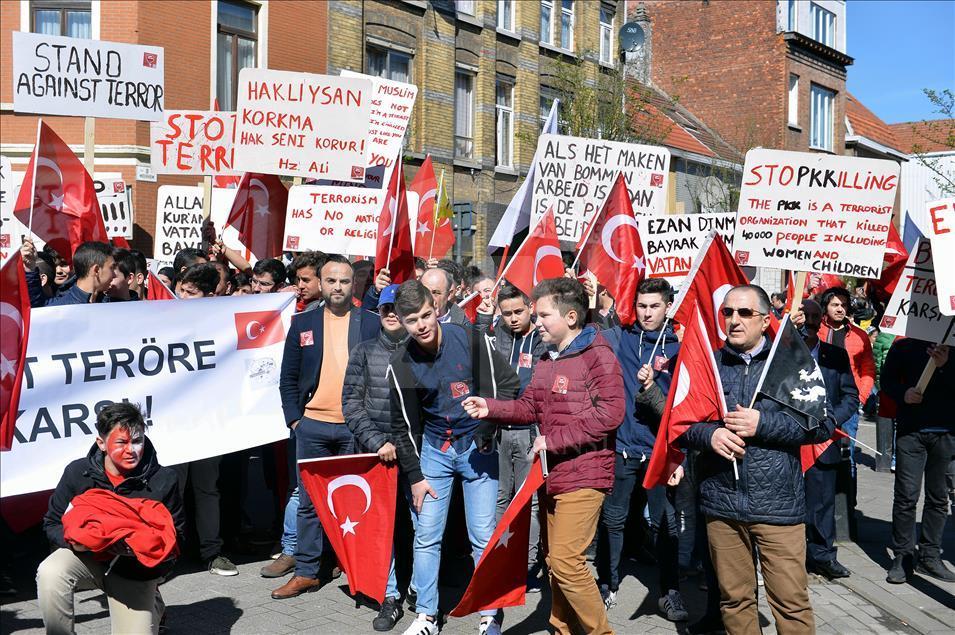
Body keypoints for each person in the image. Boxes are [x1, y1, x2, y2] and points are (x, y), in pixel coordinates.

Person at [464, 277, 624, 635]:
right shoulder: (547, 356)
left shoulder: (598, 354)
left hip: (585, 474)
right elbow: (528, 407)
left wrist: (553, 441)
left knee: (567, 562)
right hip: (552, 476)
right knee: (555, 564)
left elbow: (611, 413)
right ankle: (561, 629)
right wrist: (489, 407)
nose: (536, 322)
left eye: (543, 315)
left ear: (570, 317)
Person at [680, 284, 835, 634]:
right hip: (721, 504)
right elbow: (680, 423)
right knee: (734, 601)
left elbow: (823, 425)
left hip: (777, 506)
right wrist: (710, 435)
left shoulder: (791, 362)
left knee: (790, 604)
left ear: (765, 320)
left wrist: (762, 424)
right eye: (728, 312)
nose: (734, 320)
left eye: (744, 313)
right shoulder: (709, 363)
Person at [388, 280, 520, 635]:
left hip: (478, 450)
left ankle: (490, 614)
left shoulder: (470, 340)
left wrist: (487, 426)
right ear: (401, 321)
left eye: (427, 315)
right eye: (413, 319)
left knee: (482, 534)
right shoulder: (401, 362)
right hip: (434, 451)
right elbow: (402, 427)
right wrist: (415, 476)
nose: (422, 325)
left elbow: (509, 384)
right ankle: (427, 615)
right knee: (427, 534)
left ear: (436, 307)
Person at [272, 254, 379, 599]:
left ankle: (352, 568)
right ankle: (306, 571)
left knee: (352, 503)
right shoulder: (303, 323)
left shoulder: (371, 323)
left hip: (355, 428)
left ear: (353, 285)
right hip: (312, 427)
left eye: (344, 281)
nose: (337, 287)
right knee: (309, 503)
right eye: (331, 280)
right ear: (320, 282)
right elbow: (287, 379)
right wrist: (295, 420)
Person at [37, 403, 184, 635]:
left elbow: (177, 538)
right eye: (121, 443)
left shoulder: (165, 479)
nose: (131, 450)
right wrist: (76, 542)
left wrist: (144, 555)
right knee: (50, 572)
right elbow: (52, 523)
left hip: (133, 571)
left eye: (137, 441)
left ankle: (153, 603)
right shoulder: (77, 473)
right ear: (102, 444)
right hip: (87, 558)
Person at [597, 278, 687, 621]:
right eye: (641, 306)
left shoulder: (678, 348)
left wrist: (652, 389)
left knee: (666, 526)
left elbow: (678, 412)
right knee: (613, 520)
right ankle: (608, 584)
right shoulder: (621, 338)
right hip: (622, 449)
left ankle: (669, 592)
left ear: (667, 307)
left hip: (660, 453)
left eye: (654, 306)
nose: (647, 313)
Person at [343, 284, 410, 631]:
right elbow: (352, 405)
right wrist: (378, 441)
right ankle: (390, 595)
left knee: (420, 527)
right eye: (386, 309)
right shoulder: (364, 351)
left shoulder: (422, 350)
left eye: (398, 308)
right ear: (379, 313)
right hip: (378, 456)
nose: (392, 314)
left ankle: (422, 594)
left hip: (416, 455)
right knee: (383, 528)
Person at [476, 284, 548, 590]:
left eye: (518, 311)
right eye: (506, 313)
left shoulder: (543, 340)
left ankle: (527, 564)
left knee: (529, 502)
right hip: (500, 429)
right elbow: (481, 369)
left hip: (531, 432)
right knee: (502, 498)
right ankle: (501, 556)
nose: (513, 318)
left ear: (530, 307)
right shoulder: (498, 336)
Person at [174, 262, 236, 576]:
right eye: (181, 289)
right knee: (172, 487)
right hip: (173, 423)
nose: (182, 296)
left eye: (191, 292)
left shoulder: (220, 322)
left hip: (208, 422)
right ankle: (165, 553)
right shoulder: (162, 318)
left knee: (207, 488)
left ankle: (212, 551)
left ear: (210, 295)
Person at [880, 339, 955, 583]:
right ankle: (902, 556)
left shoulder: (952, 346)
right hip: (910, 432)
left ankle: (929, 556)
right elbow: (887, 380)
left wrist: (944, 366)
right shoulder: (904, 344)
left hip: (945, 432)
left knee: (938, 497)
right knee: (906, 496)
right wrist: (904, 393)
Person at [795, 300, 859, 580]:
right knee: (791, 504)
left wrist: (833, 420)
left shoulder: (836, 355)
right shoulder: (783, 353)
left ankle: (822, 555)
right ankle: (791, 557)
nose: (809, 321)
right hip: (790, 441)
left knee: (822, 503)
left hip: (823, 441)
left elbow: (850, 396)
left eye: (814, 316)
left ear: (821, 319)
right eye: (804, 316)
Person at [818, 286, 875, 475]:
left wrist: (861, 397)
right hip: (818, 402)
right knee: (817, 453)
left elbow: (868, 370)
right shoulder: (814, 330)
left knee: (847, 455)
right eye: (835, 304)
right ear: (826, 307)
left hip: (848, 404)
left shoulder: (860, 336)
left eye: (843, 305)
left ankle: (847, 501)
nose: (840, 309)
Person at [22, 239, 117, 307]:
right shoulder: (61, 307)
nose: (114, 275)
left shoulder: (114, 307)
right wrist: (29, 269)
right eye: (112, 268)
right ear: (96, 270)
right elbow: (36, 308)